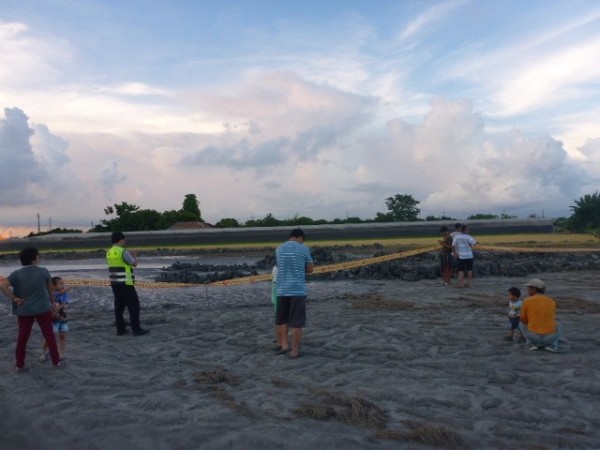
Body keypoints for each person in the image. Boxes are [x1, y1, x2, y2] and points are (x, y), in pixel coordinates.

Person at [0, 247, 62, 372]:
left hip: (24, 309)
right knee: (49, 335)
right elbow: (51, 289)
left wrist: (14, 298)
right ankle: (56, 362)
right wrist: (53, 303)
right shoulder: (43, 271)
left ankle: (20, 365)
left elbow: (2, 285)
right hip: (43, 308)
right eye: (38, 256)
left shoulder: (16, 274)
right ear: (35, 258)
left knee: (23, 337)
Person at [275, 228, 314, 358]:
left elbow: (280, 266)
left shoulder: (279, 249)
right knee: (297, 321)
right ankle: (295, 350)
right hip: (297, 289)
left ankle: (284, 345)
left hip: (281, 289)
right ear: (300, 237)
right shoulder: (304, 249)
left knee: (282, 320)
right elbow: (310, 269)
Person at [107, 232, 149, 336]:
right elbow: (134, 264)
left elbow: (119, 262)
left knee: (119, 306)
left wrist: (129, 254)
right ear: (121, 240)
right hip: (126, 283)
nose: (125, 242)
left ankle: (120, 329)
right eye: (124, 240)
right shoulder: (123, 251)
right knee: (134, 305)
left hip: (114, 282)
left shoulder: (109, 252)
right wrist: (134, 255)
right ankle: (136, 329)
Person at [519, 278, 561, 352]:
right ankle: (553, 345)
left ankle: (530, 344)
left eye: (528, 288)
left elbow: (523, 319)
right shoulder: (551, 301)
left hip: (533, 337)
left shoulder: (527, 300)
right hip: (550, 338)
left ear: (534, 289)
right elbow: (552, 317)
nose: (527, 290)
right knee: (558, 324)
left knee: (521, 323)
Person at [41, 276, 74, 361]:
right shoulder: (52, 293)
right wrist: (70, 287)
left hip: (63, 317)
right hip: (52, 319)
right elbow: (60, 293)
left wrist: (58, 308)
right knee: (50, 337)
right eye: (60, 284)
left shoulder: (64, 294)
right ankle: (44, 351)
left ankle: (61, 353)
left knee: (62, 336)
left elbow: (65, 303)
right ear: (53, 286)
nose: (62, 285)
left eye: (63, 284)